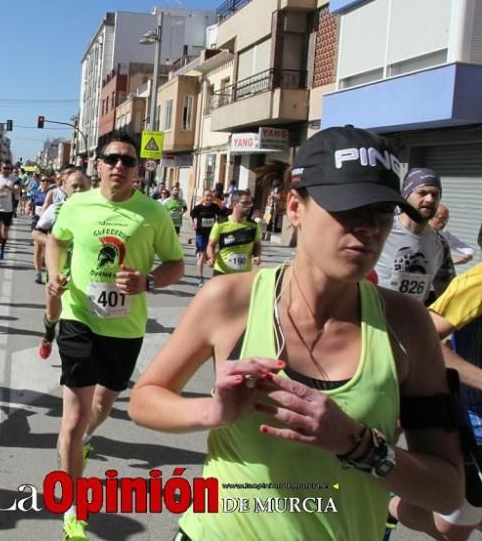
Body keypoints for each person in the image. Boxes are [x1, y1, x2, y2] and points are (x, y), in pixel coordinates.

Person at [128, 126, 463, 540]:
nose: (369, 228)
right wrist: (212, 412)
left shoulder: (407, 325)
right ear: (294, 207)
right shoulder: (229, 300)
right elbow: (144, 399)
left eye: (381, 211)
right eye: (349, 208)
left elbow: (448, 489)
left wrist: (361, 446)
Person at [45, 132, 185, 540]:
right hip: (78, 318)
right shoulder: (76, 204)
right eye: (112, 159)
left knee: (104, 404)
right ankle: (71, 504)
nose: (119, 167)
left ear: (138, 169)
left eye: (127, 161)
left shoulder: (152, 214)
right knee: (72, 417)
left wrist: (149, 283)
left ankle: (85, 438)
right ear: (98, 164)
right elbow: (56, 240)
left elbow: (175, 263)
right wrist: (54, 274)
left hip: (124, 327)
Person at [389, 258, 482, 540]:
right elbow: (422, 339)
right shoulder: (478, 282)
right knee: (451, 531)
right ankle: (386, 503)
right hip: (474, 426)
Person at [35, 169, 89, 360]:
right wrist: (54, 243)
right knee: (52, 314)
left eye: (83, 186)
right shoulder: (56, 209)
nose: (79, 190)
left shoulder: (97, 211)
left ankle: (74, 361)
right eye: (74, 186)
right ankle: (49, 336)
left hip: (86, 275)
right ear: (64, 188)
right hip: (59, 272)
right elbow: (36, 233)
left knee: (77, 320)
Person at [374, 167, 446, 303]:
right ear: (406, 195)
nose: (430, 199)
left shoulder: (440, 243)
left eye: (435, 194)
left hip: (410, 320)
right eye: (422, 193)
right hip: (374, 316)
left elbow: (444, 289)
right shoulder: (381, 228)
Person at [206, 190, 262, 276]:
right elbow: (211, 245)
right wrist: (211, 258)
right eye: (245, 203)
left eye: (250, 203)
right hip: (222, 272)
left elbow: (257, 244)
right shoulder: (220, 225)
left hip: (243, 274)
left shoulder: (254, 226)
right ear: (234, 204)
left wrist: (257, 256)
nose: (249, 206)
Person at [189, 189, 223, 287]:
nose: (209, 198)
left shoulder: (215, 207)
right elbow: (191, 216)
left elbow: (220, 216)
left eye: (210, 196)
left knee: (210, 257)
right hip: (201, 234)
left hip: (212, 234)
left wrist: (220, 225)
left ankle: (216, 277)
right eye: (207, 196)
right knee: (203, 254)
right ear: (203, 197)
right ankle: (200, 278)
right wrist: (192, 224)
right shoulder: (198, 208)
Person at [28, 174, 53, 284]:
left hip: (49, 223)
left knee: (46, 251)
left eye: (48, 180)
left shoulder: (53, 194)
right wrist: (29, 206)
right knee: (37, 249)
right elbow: (31, 203)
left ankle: (46, 274)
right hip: (37, 222)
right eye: (43, 180)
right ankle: (39, 274)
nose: (45, 182)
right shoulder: (36, 193)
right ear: (40, 182)